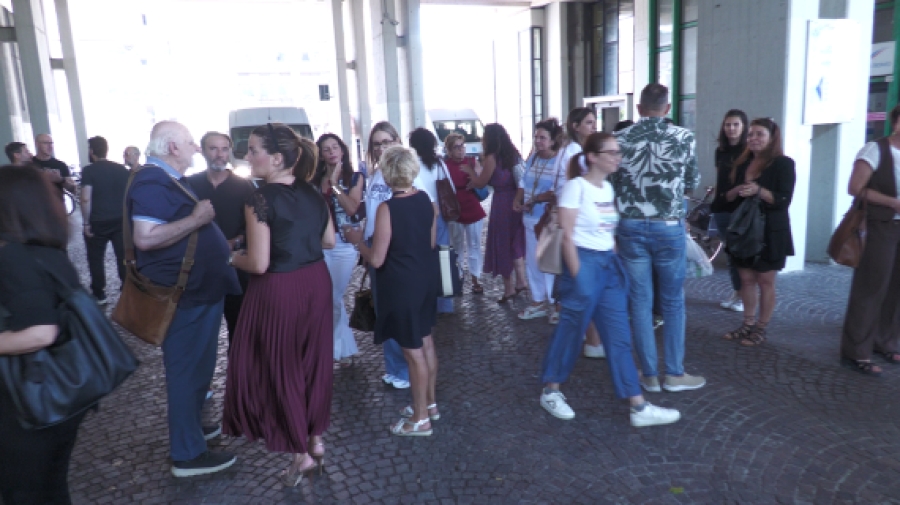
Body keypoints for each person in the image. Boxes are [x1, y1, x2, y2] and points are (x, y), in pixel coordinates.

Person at [537, 133, 681, 427]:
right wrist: (579, 276)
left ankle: (638, 406)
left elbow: (607, 232)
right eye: (612, 152)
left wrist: (613, 261)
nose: (618, 157)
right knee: (570, 331)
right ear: (593, 157)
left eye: (619, 152)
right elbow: (567, 237)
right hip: (583, 263)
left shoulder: (607, 188)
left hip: (607, 266)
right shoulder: (576, 187)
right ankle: (551, 389)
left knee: (619, 336)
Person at [223, 123, 336, 486]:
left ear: (275, 158)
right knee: (312, 362)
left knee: (281, 368)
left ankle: (300, 456)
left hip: (279, 288)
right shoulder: (312, 191)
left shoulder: (259, 198)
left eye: (253, 149)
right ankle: (315, 439)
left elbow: (258, 263)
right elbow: (329, 241)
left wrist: (230, 257)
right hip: (316, 281)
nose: (247, 156)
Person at [126, 120, 241, 477]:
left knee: (197, 368)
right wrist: (196, 219)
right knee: (186, 370)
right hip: (184, 295)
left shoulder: (165, 179)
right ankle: (187, 454)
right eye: (190, 142)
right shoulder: (152, 181)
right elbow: (146, 237)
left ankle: (190, 430)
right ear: (173, 147)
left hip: (196, 291)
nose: (195, 148)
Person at [0, 166, 87, 504]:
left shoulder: (13, 257)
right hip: (59, 394)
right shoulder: (50, 252)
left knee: (25, 492)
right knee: (51, 488)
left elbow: (40, 332)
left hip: (28, 399)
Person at [612, 83, 705, 393]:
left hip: (630, 225)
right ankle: (675, 374)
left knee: (639, 301)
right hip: (668, 226)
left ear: (639, 108)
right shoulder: (684, 137)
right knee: (673, 301)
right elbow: (692, 180)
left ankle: (649, 375)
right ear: (667, 109)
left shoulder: (620, 139)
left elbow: (612, 182)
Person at [344, 146, 440, 437]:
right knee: (426, 343)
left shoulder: (388, 208)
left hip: (401, 286)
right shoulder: (425, 200)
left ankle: (420, 419)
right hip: (425, 280)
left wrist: (357, 241)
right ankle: (429, 405)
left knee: (413, 352)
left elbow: (376, 259)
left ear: (386, 174)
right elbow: (430, 243)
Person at [721, 118, 795, 347]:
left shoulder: (783, 164)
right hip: (744, 230)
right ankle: (747, 323)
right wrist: (737, 190)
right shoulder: (742, 163)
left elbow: (783, 200)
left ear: (772, 138)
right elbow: (726, 197)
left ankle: (761, 328)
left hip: (770, 231)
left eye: (759, 134)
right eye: (751, 134)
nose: (753, 138)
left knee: (765, 280)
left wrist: (759, 190)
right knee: (746, 280)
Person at [840, 104, 900, 376]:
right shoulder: (876, 150)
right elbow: (855, 188)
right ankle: (856, 351)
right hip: (879, 226)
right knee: (871, 287)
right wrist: (893, 203)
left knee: (896, 289)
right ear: (896, 123)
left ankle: (885, 341)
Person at [187, 132, 255, 344]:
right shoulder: (190, 184)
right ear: (203, 151)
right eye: (213, 148)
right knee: (199, 330)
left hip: (235, 267)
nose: (220, 154)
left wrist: (235, 242)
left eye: (224, 149)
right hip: (200, 268)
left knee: (240, 327)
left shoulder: (244, 187)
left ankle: (238, 364)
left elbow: (255, 228)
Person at [363, 121, 411, 390]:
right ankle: (394, 367)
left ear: (397, 141)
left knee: (398, 309)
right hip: (375, 243)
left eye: (386, 142)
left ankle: (405, 369)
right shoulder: (375, 174)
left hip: (395, 247)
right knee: (384, 309)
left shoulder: (406, 172)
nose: (381, 148)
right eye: (376, 144)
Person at [313, 133, 364, 365]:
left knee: (333, 296)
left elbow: (352, 208)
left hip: (344, 244)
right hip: (320, 244)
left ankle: (330, 347)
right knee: (328, 296)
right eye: (326, 149)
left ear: (342, 150)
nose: (332, 151)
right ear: (321, 155)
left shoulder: (354, 177)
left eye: (335, 147)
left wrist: (334, 186)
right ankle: (344, 349)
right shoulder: (314, 180)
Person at [562, 107, 607, 359]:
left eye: (594, 121)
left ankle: (586, 335)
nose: (594, 125)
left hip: (586, 228)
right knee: (586, 287)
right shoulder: (575, 154)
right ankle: (592, 339)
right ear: (576, 126)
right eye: (589, 122)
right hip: (582, 229)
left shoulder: (577, 151)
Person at [465, 123, 527, 303]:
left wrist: (471, 172)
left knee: (502, 244)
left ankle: (509, 288)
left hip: (502, 204)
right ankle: (521, 280)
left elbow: (481, 183)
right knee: (515, 242)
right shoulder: (513, 154)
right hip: (516, 201)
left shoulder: (492, 157)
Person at [514, 118, 567, 324]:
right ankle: (538, 301)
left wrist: (535, 199)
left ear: (553, 140)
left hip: (547, 219)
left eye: (542, 138)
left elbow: (558, 190)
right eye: (536, 137)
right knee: (533, 261)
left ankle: (556, 304)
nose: (538, 141)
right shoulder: (534, 157)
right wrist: (518, 199)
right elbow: (523, 181)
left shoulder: (560, 161)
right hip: (529, 218)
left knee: (550, 261)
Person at [408, 128, 453, 314]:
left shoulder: (410, 165)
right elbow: (451, 189)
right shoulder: (439, 164)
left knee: (420, 258)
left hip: (417, 215)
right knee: (443, 258)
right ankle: (445, 304)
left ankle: (424, 302)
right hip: (440, 214)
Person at [80, 136, 129, 304]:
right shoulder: (121, 169)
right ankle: (126, 289)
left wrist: (86, 223)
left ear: (92, 151)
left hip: (97, 222)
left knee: (96, 258)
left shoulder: (89, 171)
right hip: (120, 220)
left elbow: (85, 198)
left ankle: (99, 293)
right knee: (123, 257)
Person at [710, 109, 749, 312]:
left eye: (735, 125)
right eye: (728, 124)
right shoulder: (721, 151)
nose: (731, 128)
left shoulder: (749, 151)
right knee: (730, 253)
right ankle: (737, 291)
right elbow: (720, 177)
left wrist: (734, 192)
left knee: (740, 254)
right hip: (721, 206)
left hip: (740, 208)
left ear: (743, 127)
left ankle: (744, 295)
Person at [443, 132, 487, 294]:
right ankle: (458, 277)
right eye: (457, 147)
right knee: (457, 246)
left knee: (474, 244)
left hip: (472, 206)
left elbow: (482, 180)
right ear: (449, 150)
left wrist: (474, 177)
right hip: (454, 208)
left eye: (462, 146)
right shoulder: (444, 165)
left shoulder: (472, 161)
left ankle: (476, 278)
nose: (461, 150)